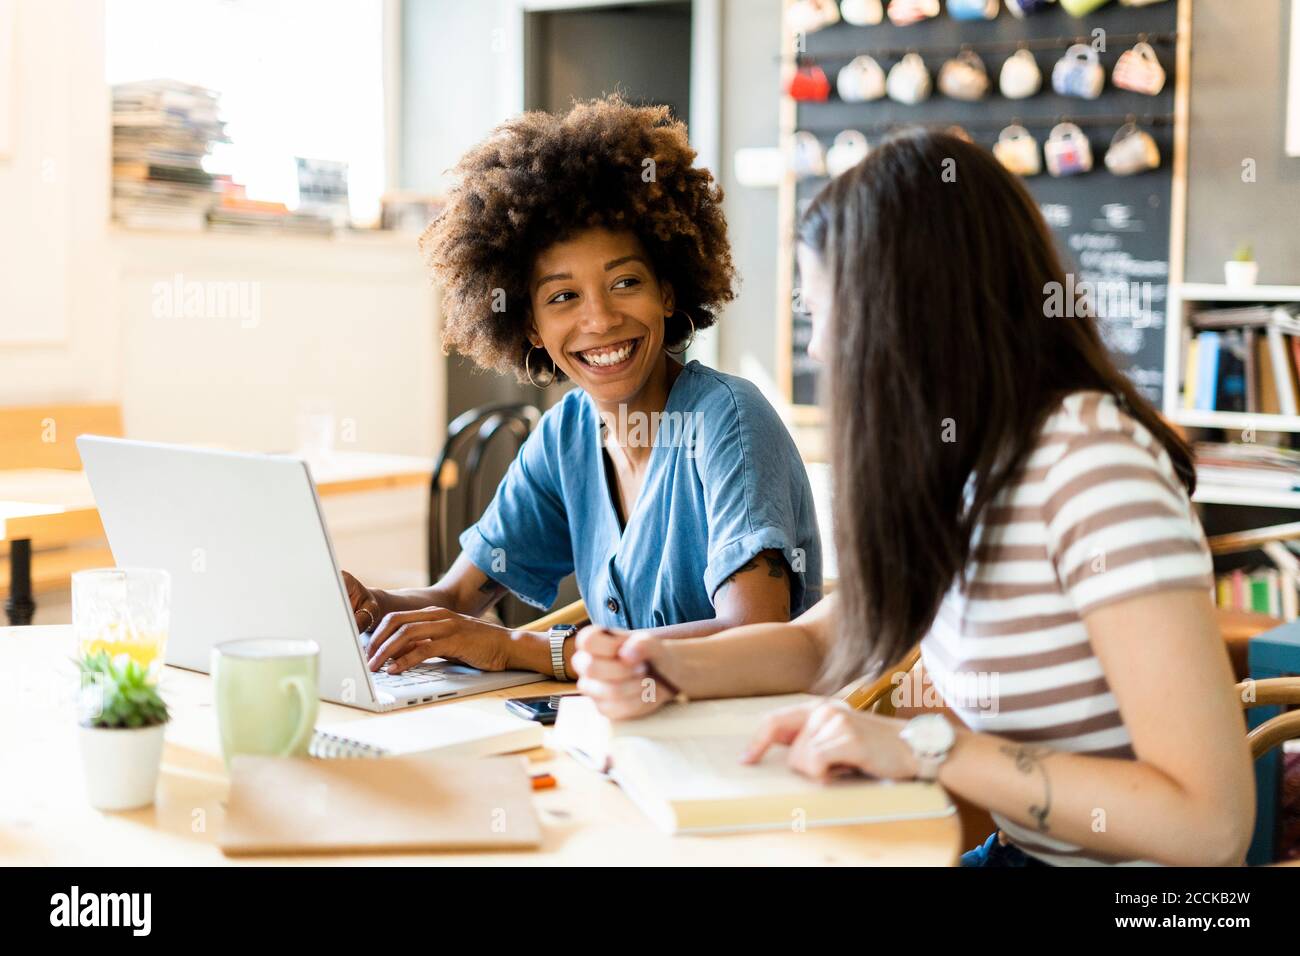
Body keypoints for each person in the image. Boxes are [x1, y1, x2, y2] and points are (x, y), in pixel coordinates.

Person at [572, 129, 1254, 866]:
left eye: (828, 312)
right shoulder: (968, 464)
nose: (820, 348)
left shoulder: (1090, 467)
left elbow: (1209, 825)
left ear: (905, 310)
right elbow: (825, 640)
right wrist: (658, 665)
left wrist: (926, 745)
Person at [346, 95, 822, 681]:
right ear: (530, 326)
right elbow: (457, 598)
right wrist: (370, 605)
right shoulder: (565, 437)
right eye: (563, 296)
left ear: (668, 292)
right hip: (619, 746)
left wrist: (516, 647)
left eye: (625, 282)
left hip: (744, 755)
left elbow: (755, 638)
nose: (599, 320)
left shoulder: (729, 421)